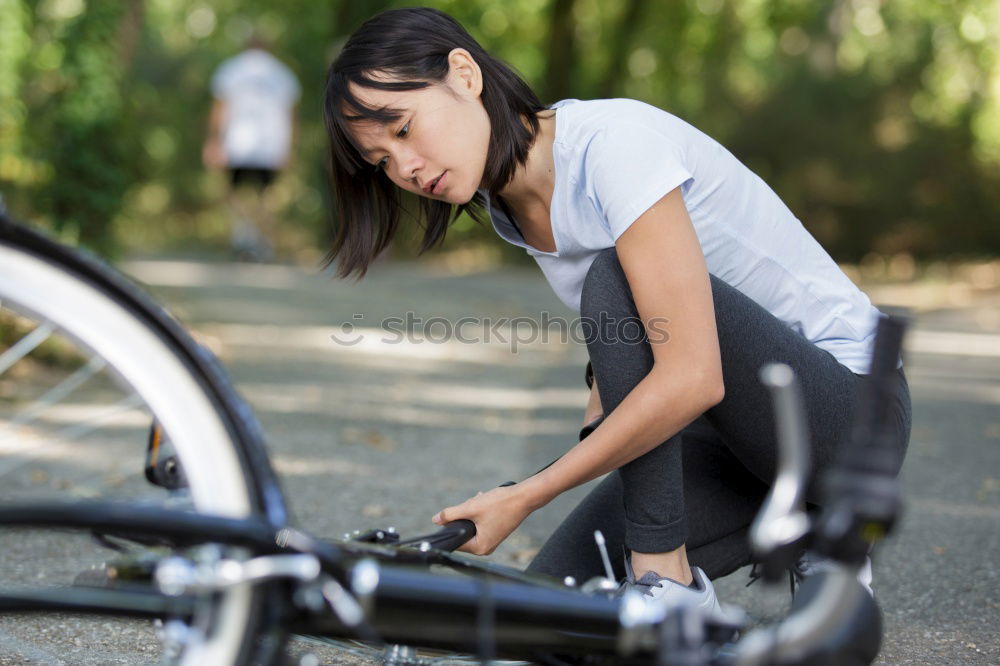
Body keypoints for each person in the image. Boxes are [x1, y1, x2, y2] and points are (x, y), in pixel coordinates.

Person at [322, 7, 911, 614]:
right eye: (383, 163)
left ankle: (669, 580)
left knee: (613, 277)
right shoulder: (511, 211)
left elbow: (691, 374)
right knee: (564, 608)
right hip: (734, 440)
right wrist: (598, 397)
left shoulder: (613, 147)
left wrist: (527, 495)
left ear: (464, 75)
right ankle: (791, 528)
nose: (406, 169)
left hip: (848, 418)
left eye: (402, 130)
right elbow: (633, 350)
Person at [203, 37, 300, 262]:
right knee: (267, 196)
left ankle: (244, 234)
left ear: (245, 46)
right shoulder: (283, 74)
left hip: (237, 143)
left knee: (232, 192)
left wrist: (214, 141)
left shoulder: (230, 69)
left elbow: (219, 108)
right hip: (272, 145)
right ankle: (261, 241)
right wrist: (291, 147)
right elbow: (291, 115)